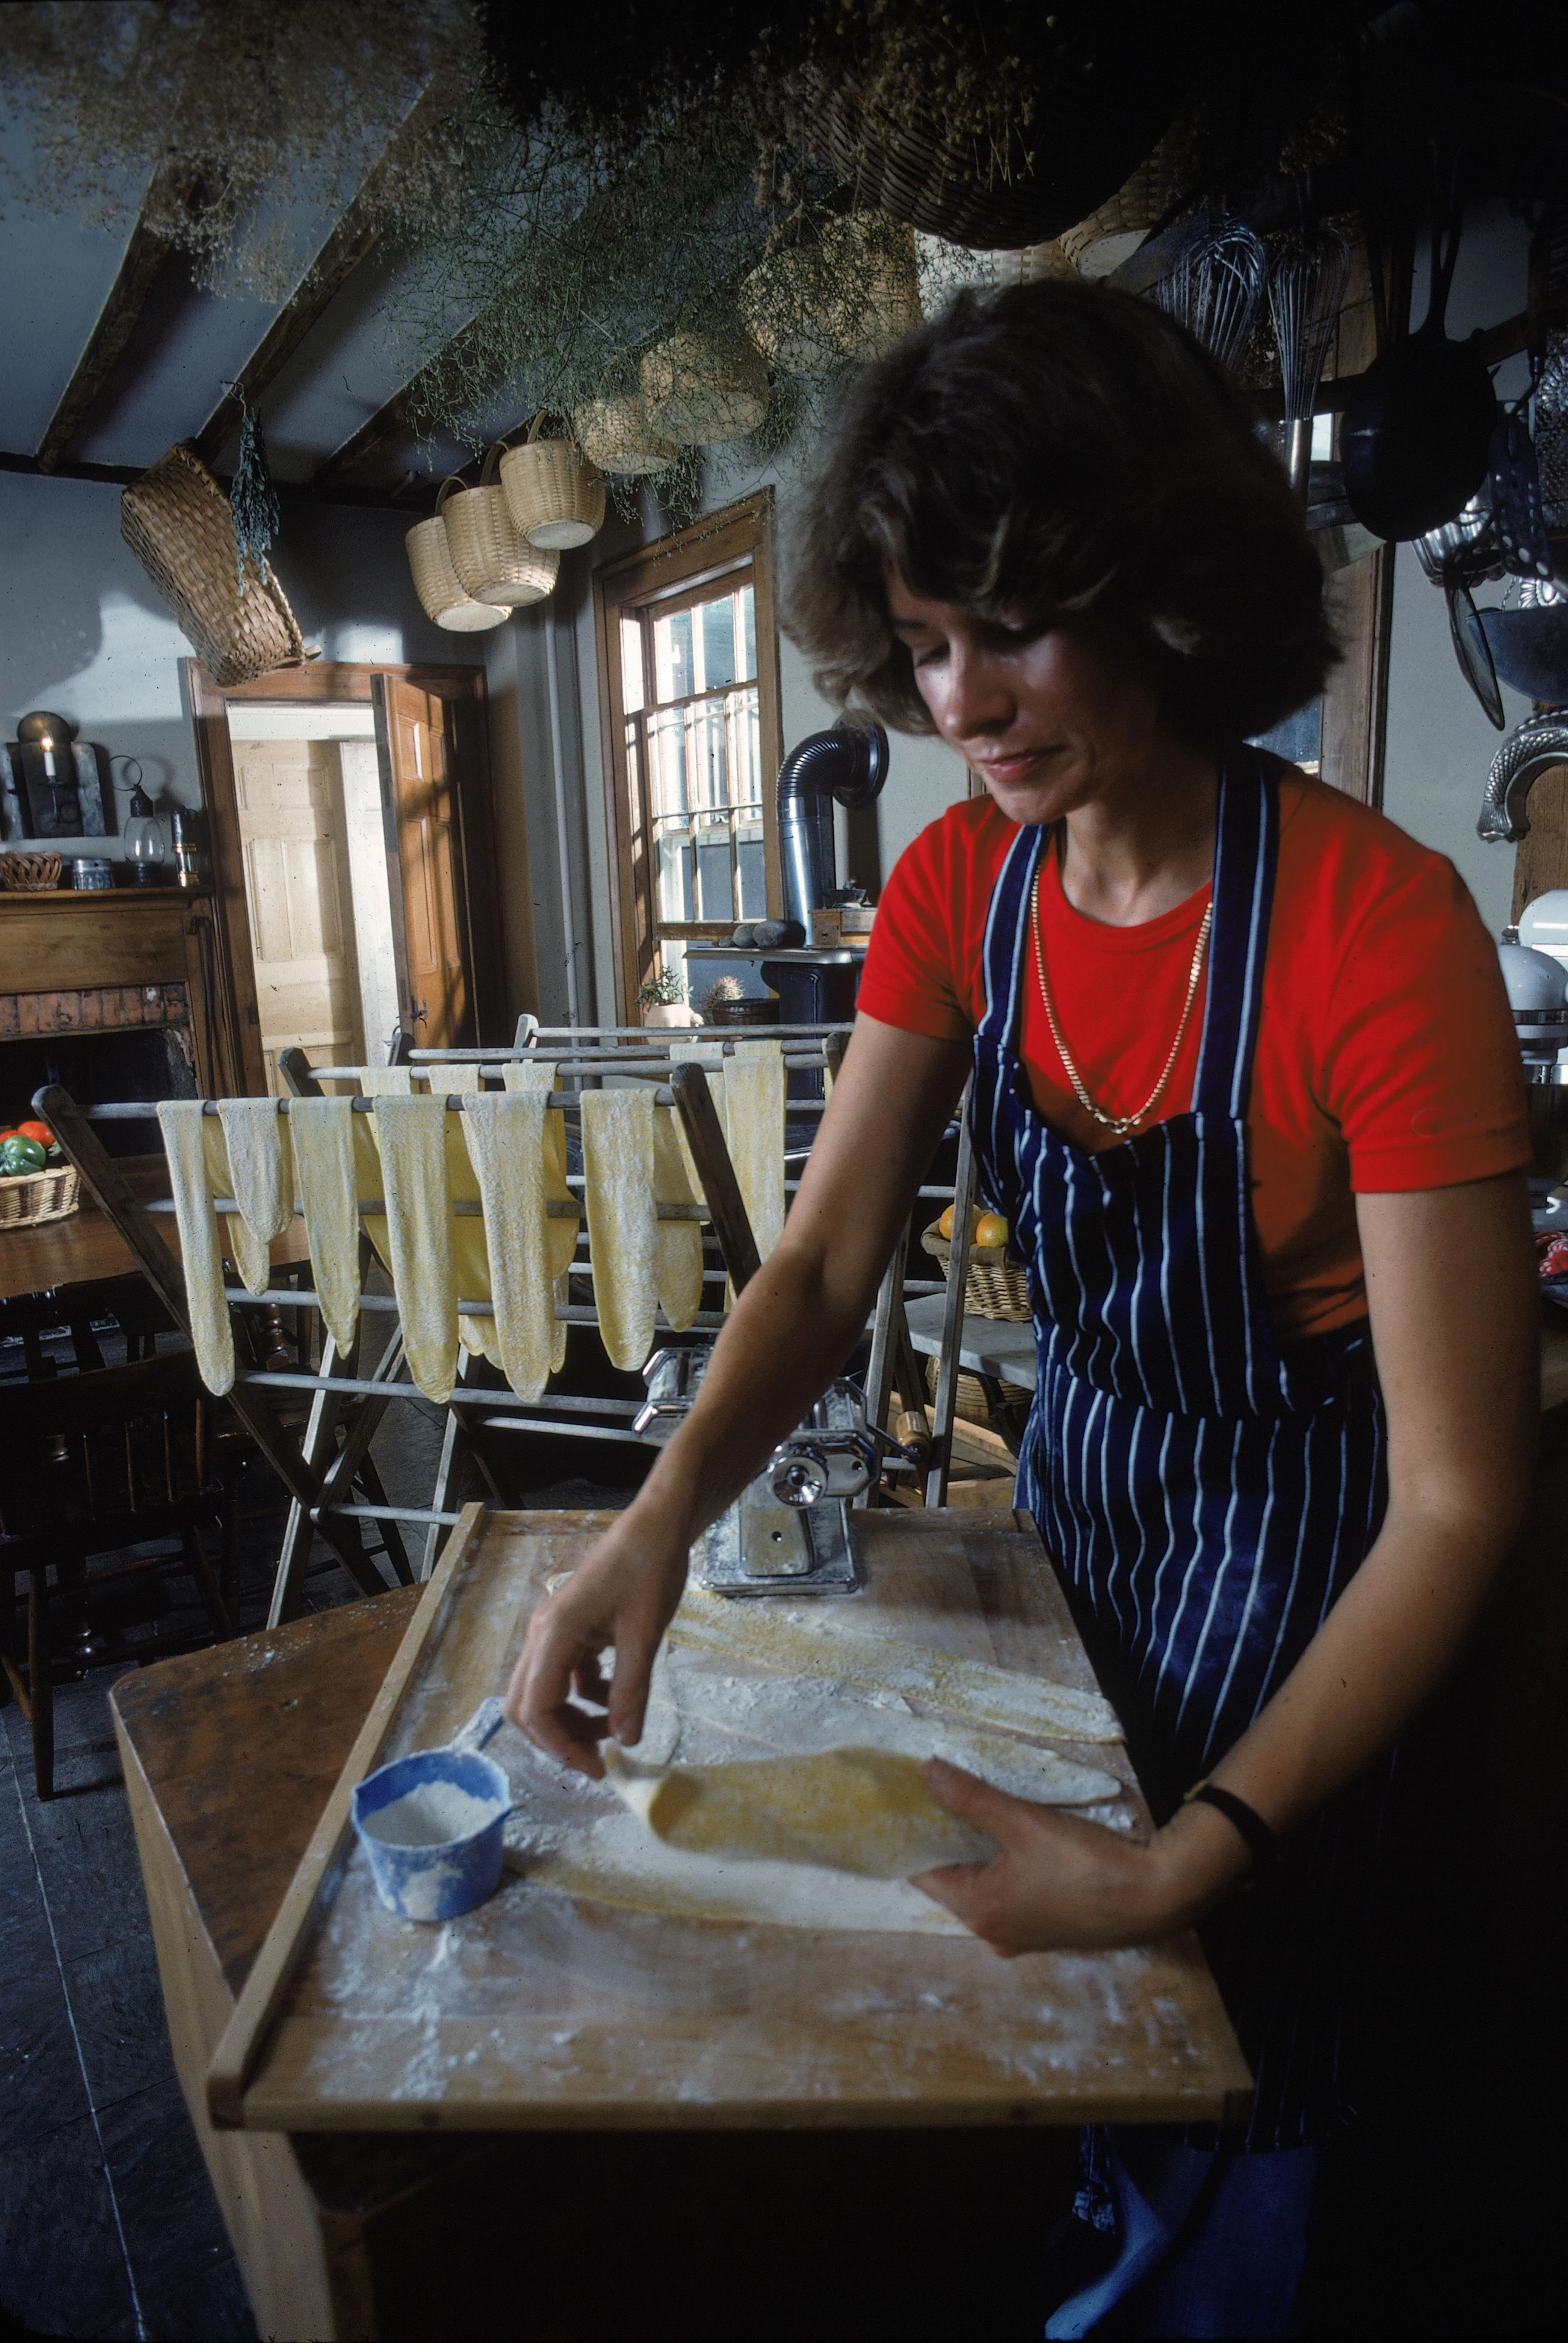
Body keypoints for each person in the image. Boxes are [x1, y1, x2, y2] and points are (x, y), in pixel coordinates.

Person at [507, 281, 1536, 2336]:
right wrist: (652, 1523)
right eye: (920, 643)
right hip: (1068, 1553)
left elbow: (1457, 1498)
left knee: (1245, 2087)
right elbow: (822, 1264)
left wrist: (1192, 1849)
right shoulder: (962, 887)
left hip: (1311, 1596)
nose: (961, 703)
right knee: (1066, 2065)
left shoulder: (1373, 924)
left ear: (1162, 585)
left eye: (1009, 624)